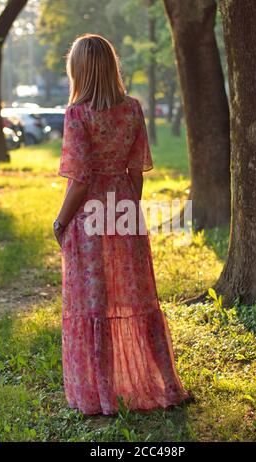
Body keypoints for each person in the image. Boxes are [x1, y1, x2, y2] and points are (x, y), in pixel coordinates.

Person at [54, 33, 191, 415]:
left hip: (89, 218)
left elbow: (79, 179)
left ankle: (102, 395)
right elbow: (136, 171)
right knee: (136, 300)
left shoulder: (78, 115)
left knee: (95, 304)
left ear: (79, 71)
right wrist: (127, 208)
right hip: (125, 210)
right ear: (112, 67)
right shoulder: (132, 109)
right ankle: (163, 382)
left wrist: (60, 221)